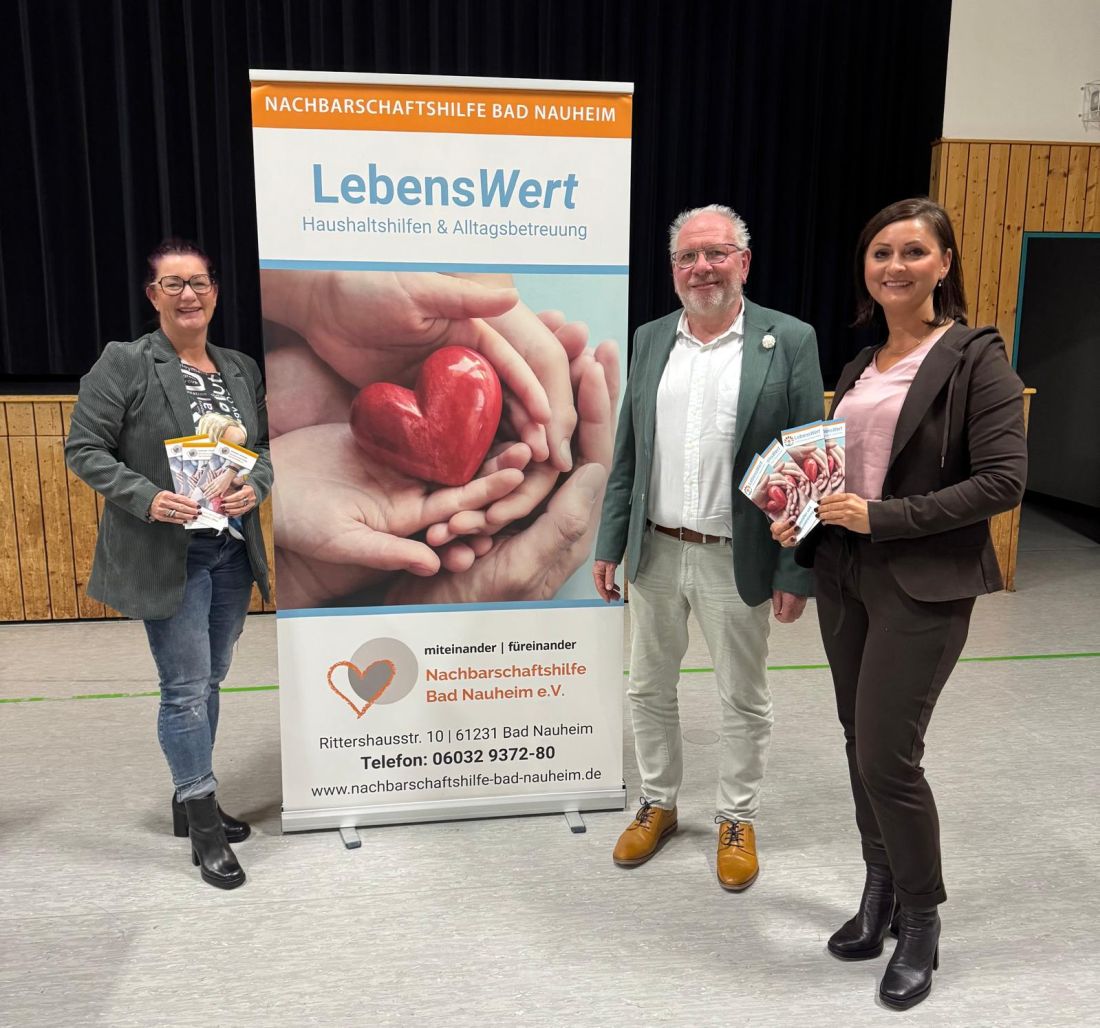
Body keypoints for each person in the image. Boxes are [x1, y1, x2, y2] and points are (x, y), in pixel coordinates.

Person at [772, 197, 1026, 1009]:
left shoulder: (976, 359)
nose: (894, 266)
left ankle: (920, 918)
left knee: (888, 756)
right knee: (859, 745)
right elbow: (845, 472)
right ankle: (878, 890)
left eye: (913, 252)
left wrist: (885, 518)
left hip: (924, 580)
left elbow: (1003, 482)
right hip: (845, 575)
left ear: (944, 264)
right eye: (880, 253)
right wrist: (802, 513)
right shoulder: (860, 365)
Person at [593, 203, 824, 890]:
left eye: (717, 253)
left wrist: (796, 567)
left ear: (743, 262)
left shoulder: (789, 340)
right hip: (657, 551)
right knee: (647, 688)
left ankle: (736, 817)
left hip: (737, 554)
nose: (702, 267)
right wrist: (611, 541)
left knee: (742, 698)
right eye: (688, 257)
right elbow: (628, 452)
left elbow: (807, 461)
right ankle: (658, 803)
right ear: (673, 270)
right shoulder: (650, 339)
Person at [65, 238, 273, 891]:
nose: (189, 294)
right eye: (174, 284)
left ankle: (192, 799)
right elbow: (84, 448)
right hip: (168, 549)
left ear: (215, 292)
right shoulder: (126, 362)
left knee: (211, 680)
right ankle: (205, 826)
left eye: (199, 282)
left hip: (230, 548)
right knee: (183, 688)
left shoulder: (240, 368)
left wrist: (255, 486)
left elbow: (264, 450)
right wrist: (147, 498)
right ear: (154, 295)